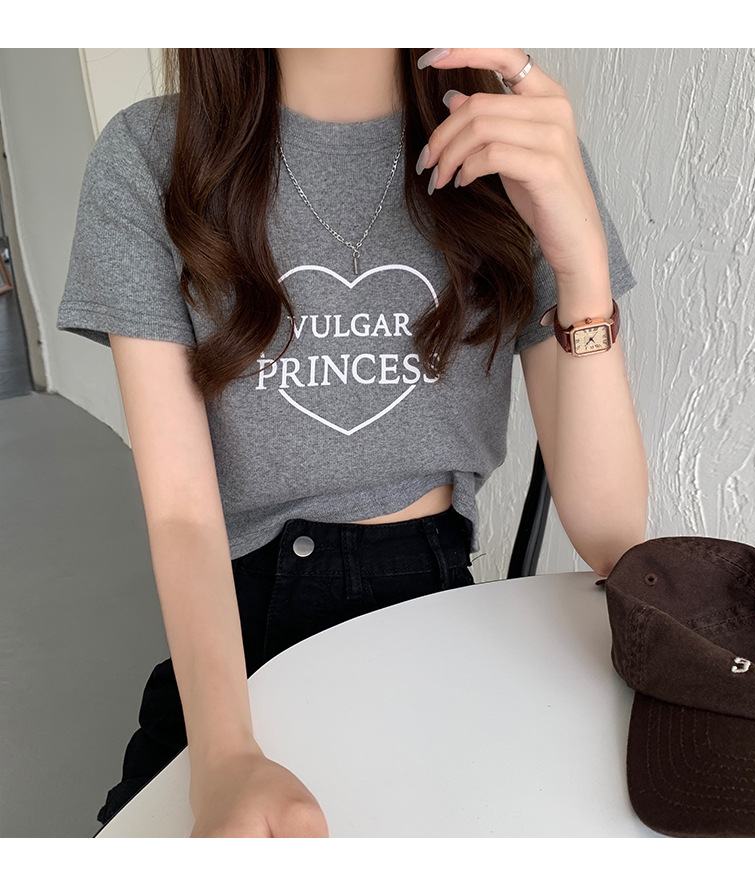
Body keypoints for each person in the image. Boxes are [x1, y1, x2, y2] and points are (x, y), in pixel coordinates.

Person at [57, 48, 648, 837]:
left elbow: (612, 532)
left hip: (435, 608)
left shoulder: (512, 142)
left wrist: (581, 267)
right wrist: (226, 756)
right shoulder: (149, 157)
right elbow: (181, 513)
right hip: (237, 628)